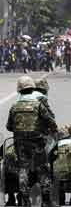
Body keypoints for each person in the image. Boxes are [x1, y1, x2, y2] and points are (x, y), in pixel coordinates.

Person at [6, 76, 57, 207]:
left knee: (23, 169)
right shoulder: (38, 104)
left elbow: (9, 126)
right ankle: (46, 201)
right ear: (32, 88)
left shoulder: (14, 106)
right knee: (42, 169)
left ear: (19, 90)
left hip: (20, 143)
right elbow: (51, 121)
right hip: (37, 143)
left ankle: (25, 199)